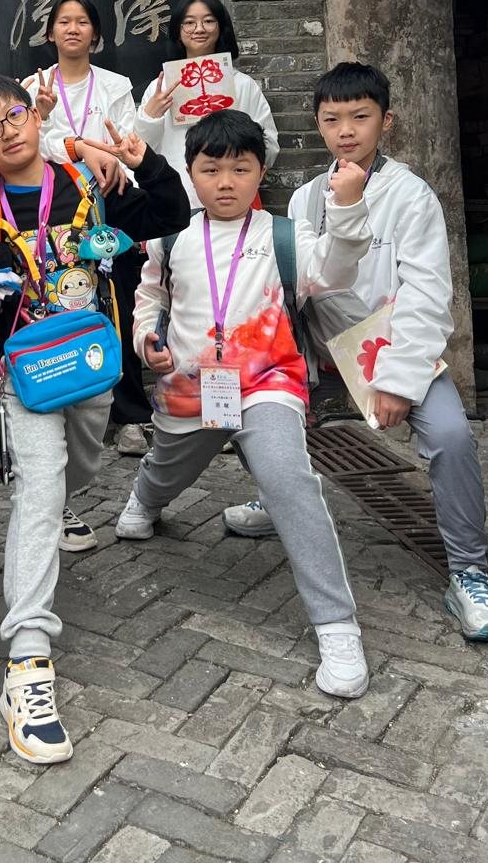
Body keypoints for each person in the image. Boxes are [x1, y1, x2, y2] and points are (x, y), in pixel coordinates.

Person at [222, 62, 488, 644]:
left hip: (393, 348)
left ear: (387, 120)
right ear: (318, 125)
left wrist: (400, 381)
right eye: (332, 119)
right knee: (244, 397)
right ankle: (275, 496)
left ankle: (469, 574)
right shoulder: (306, 198)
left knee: (451, 435)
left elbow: (427, 294)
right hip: (321, 348)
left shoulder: (411, 196)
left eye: (360, 117)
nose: (346, 131)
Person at [0, 73, 190, 764]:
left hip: (90, 364)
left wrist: (144, 161)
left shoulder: (89, 183)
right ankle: (27, 660)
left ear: (36, 116)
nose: (7, 132)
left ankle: (59, 502)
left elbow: (169, 213)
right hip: (21, 373)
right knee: (38, 490)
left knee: (75, 470)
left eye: (14, 116)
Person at [115, 109, 373, 699]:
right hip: (190, 387)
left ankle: (336, 625)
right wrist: (145, 338)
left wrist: (348, 208)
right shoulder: (173, 241)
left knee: (288, 478)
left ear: (261, 172)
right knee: (167, 469)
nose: (226, 182)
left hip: (267, 383)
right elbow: (150, 296)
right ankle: (146, 499)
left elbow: (335, 272)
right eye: (211, 170)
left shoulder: (285, 236)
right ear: (191, 173)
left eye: (241, 168)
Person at [22, 0, 151, 459]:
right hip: (56, 208)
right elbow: (31, 142)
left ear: (95, 33)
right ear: (50, 32)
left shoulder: (115, 85)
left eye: (81, 21)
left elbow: (129, 139)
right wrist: (53, 121)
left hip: (110, 199)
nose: (72, 29)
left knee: (122, 300)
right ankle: (68, 398)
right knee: (66, 299)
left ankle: (130, 414)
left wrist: (117, 165)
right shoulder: (32, 86)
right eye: (64, 21)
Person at [136, 0, 279, 206]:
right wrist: (150, 116)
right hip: (174, 199)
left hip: (231, 200)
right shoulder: (161, 87)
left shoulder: (242, 85)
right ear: (178, 31)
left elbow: (269, 146)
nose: (199, 29)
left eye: (209, 21)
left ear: (221, 27)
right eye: (189, 23)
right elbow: (140, 151)